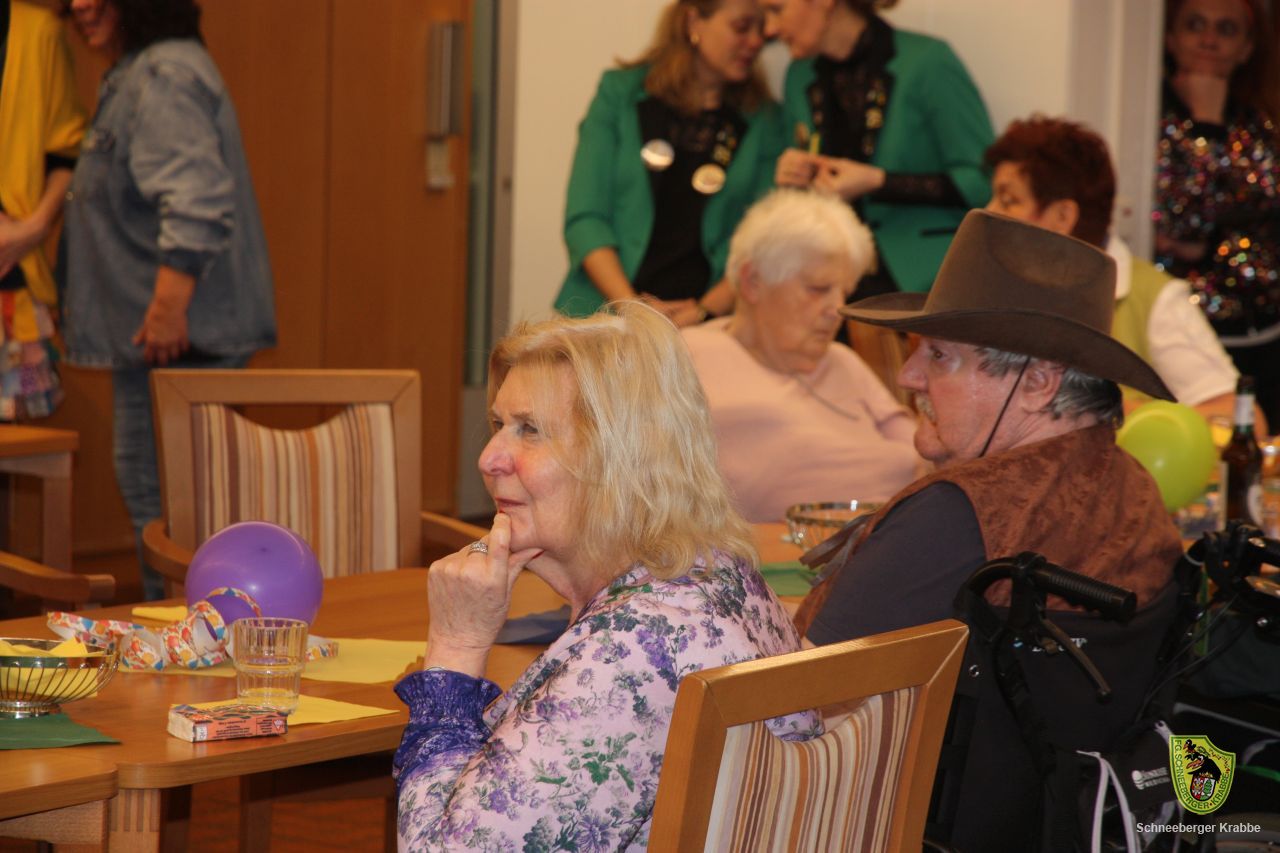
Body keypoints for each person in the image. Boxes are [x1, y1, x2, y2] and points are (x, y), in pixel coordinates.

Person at [793, 210, 1185, 851]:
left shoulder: (960, 513)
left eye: (939, 355)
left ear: (1037, 383)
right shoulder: (1135, 490)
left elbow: (790, 704)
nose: (908, 376)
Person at [393, 303, 816, 851]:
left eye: (530, 431)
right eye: (499, 425)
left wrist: (455, 648)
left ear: (618, 460)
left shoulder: (634, 647)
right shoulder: (719, 570)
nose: (489, 457)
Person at [61, 0, 276, 600]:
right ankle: (188, 632)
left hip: (179, 342)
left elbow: (195, 200)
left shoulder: (163, 74)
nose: (79, 5)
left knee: (172, 513)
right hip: (165, 342)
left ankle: (192, 638)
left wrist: (166, 308)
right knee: (164, 505)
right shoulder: (146, 69)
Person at [985, 115, 1248, 424]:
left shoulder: (1149, 297)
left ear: (1063, 216)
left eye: (1008, 200)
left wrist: (1112, 413)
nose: (988, 212)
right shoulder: (991, 286)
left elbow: (1240, 417)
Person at [682, 189, 919, 522]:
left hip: (890, 534)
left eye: (845, 293)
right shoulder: (689, 359)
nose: (837, 310)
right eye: (818, 289)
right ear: (752, 282)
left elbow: (923, 456)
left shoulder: (843, 360)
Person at [555, 0, 781, 325]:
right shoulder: (620, 94)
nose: (756, 41)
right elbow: (585, 219)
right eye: (742, 27)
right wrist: (632, 308)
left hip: (708, 325)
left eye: (763, 31)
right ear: (693, 21)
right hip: (605, 319)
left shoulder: (765, 119)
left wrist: (703, 311)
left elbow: (764, 241)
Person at [763, 0, 993, 296]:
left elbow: (984, 181)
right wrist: (793, 177)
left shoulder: (928, 61)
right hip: (832, 277)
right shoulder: (799, 75)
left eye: (777, 9)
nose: (769, 29)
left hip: (925, 280)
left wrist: (879, 182)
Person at [1154, 0, 1280, 427]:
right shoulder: (1146, 115)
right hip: (1191, 337)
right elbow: (1185, 225)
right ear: (1171, 38)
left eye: (1226, 30)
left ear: (1246, 48)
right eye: (1195, 25)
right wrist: (1205, 124)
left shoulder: (1262, 124)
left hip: (1266, 330)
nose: (1209, 40)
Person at [0, 0, 85, 420]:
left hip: (11, 271)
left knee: (14, 436)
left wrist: (33, 227)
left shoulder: (39, 32)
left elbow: (68, 153)